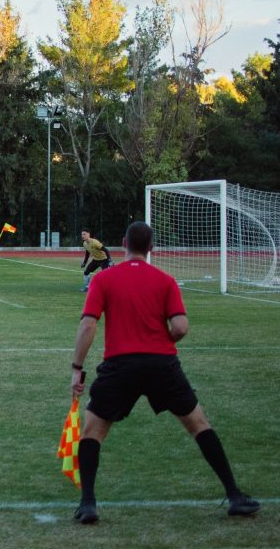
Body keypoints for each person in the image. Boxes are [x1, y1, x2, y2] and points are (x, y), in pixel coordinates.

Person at [69, 221, 260, 524]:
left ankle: (88, 503)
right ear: (152, 248)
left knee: (93, 431)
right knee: (198, 424)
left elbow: (88, 325)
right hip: (162, 364)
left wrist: (77, 368)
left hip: (120, 365)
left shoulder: (104, 280)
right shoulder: (166, 280)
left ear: (123, 243)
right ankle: (235, 495)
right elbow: (181, 326)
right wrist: (162, 341)